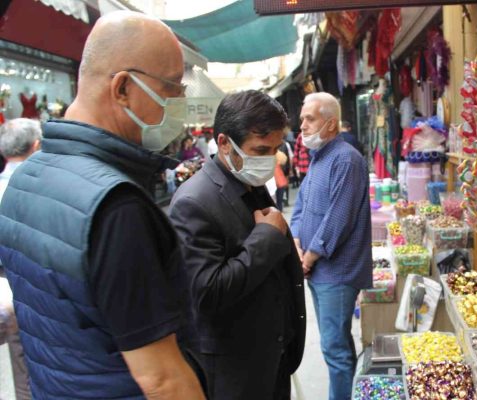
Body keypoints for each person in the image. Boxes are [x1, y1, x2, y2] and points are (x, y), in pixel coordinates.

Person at [0, 11, 205, 400]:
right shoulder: (117, 208)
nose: (179, 104)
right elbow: (162, 380)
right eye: (173, 88)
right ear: (123, 87)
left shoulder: (25, 179)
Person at [168, 90, 306, 400]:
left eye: (275, 150)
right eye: (260, 150)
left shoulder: (247, 181)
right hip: (235, 372)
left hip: (270, 360)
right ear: (224, 143)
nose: (269, 160)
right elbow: (207, 292)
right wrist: (266, 239)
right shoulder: (194, 202)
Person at [290, 92, 372, 400]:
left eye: (310, 119)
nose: (303, 126)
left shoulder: (345, 159)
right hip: (319, 269)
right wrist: (296, 241)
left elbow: (339, 218)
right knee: (337, 343)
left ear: (331, 123)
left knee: (334, 349)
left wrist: (309, 257)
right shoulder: (319, 157)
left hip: (337, 271)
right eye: (302, 119)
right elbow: (301, 206)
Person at [0, 118, 41, 400]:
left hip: (8, 286)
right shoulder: (40, 189)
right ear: (36, 146)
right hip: (33, 285)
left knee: (22, 365)